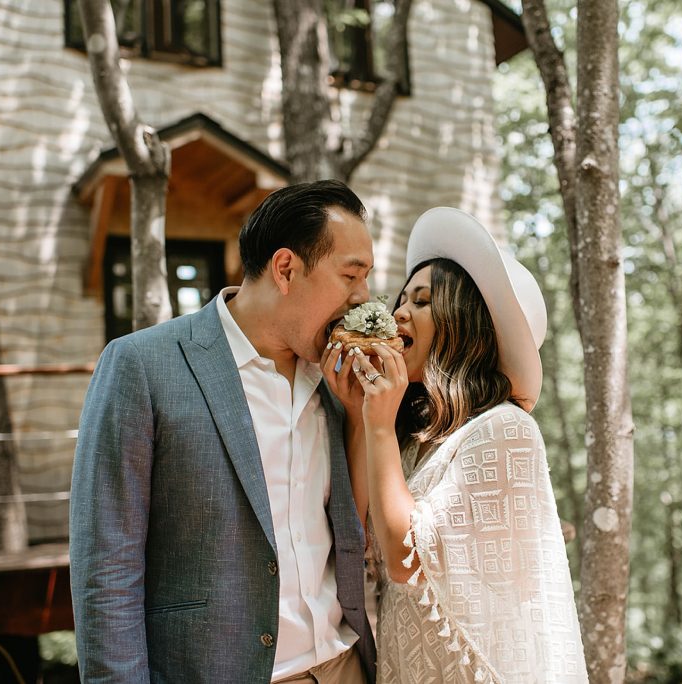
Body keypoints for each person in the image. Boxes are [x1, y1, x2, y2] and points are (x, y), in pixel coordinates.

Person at [70, 180, 378, 684]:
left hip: (346, 667)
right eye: (350, 275)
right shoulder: (141, 366)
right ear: (285, 269)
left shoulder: (340, 380)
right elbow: (106, 571)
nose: (362, 296)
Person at [321, 207, 588, 684]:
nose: (397, 311)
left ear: (463, 326)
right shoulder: (417, 441)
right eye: (403, 297)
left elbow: (406, 562)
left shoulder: (505, 430)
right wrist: (363, 419)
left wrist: (379, 425)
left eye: (421, 302)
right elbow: (359, 533)